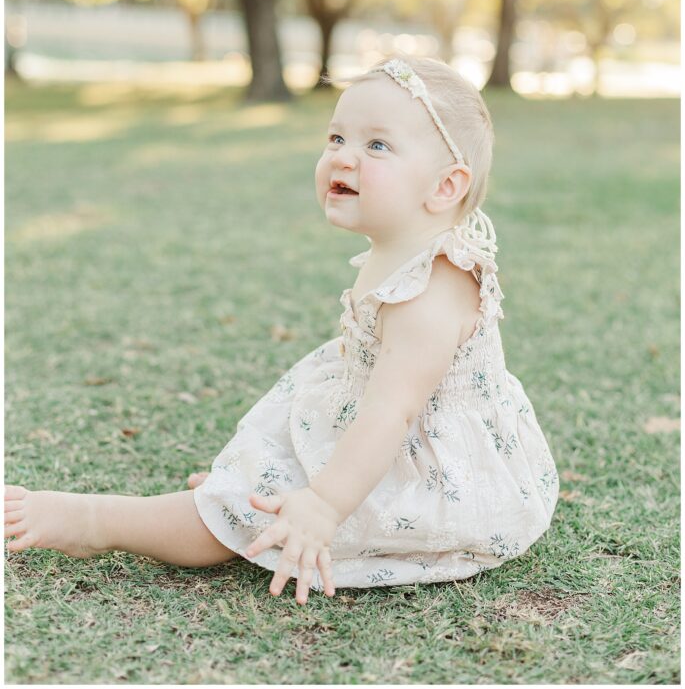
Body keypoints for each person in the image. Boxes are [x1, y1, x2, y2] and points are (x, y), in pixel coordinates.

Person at [5, 54, 559, 606]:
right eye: (337, 138)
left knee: (238, 524)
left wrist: (322, 505)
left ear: (444, 187)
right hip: (370, 433)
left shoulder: (432, 291)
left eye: (377, 146)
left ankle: (98, 520)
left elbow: (394, 414)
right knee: (262, 488)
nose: (343, 158)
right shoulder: (403, 247)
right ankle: (242, 494)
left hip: (426, 470)